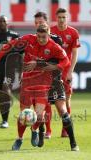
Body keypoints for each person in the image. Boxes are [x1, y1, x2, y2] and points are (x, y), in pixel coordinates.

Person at [0, 24, 78, 151]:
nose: (40, 39)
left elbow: (66, 61)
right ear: (36, 34)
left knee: (40, 116)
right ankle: (19, 138)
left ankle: (34, 129)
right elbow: (11, 44)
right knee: (24, 115)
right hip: (27, 82)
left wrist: (55, 67)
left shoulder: (54, 46)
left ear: (49, 35)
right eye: (39, 36)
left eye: (44, 37)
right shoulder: (29, 39)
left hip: (43, 84)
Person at [34, 11, 64, 139]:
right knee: (41, 105)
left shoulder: (56, 39)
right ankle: (43, 130)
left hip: (52, 77)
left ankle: (53, 130)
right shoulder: (33, 39)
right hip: (37, 77)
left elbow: (61, 59)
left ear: (46, 23)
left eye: (40, 22)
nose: (38, 25)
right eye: (36, 23)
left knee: (54, 104)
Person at [50, 8, 81, 137]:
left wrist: (70, 71)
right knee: (47, 101)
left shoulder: (73, 33)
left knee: (67, 99)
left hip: (65, 70)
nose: (62, 19)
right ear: (56, 18)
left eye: (64, 17)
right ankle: (47, 130)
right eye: (59, 17)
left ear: (67, 18)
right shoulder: (50, 31)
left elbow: (74, 54)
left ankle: (65, 128)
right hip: (52, 70)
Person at [0, 15, 20, 128]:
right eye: (0, 21)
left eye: (4, 21)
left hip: (10, 69)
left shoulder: (14, 36)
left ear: (8, 23)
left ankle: (5, 121)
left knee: (6, 90)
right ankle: (4, 120)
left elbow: (20, 52)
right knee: (2, 94)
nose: (2, 23)